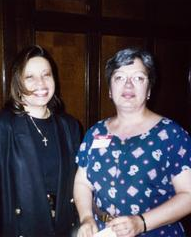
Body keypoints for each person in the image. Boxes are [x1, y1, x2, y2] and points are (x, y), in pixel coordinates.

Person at [73, 48, 191, 237]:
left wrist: (140, 223)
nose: (128, 85)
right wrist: (86, 218)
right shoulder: (96, 132)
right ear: (110, 90)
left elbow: (188, 195)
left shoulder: (171, 134)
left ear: (149, 89)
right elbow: (82, 182)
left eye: (138, 78)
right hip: (104, 232)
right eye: (119, 78)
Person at [0, 45, 81, 237]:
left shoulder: (70, 126)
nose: (41, 83)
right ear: (17, 83)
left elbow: (79, 186)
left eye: (46, 74)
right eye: (30, 77)